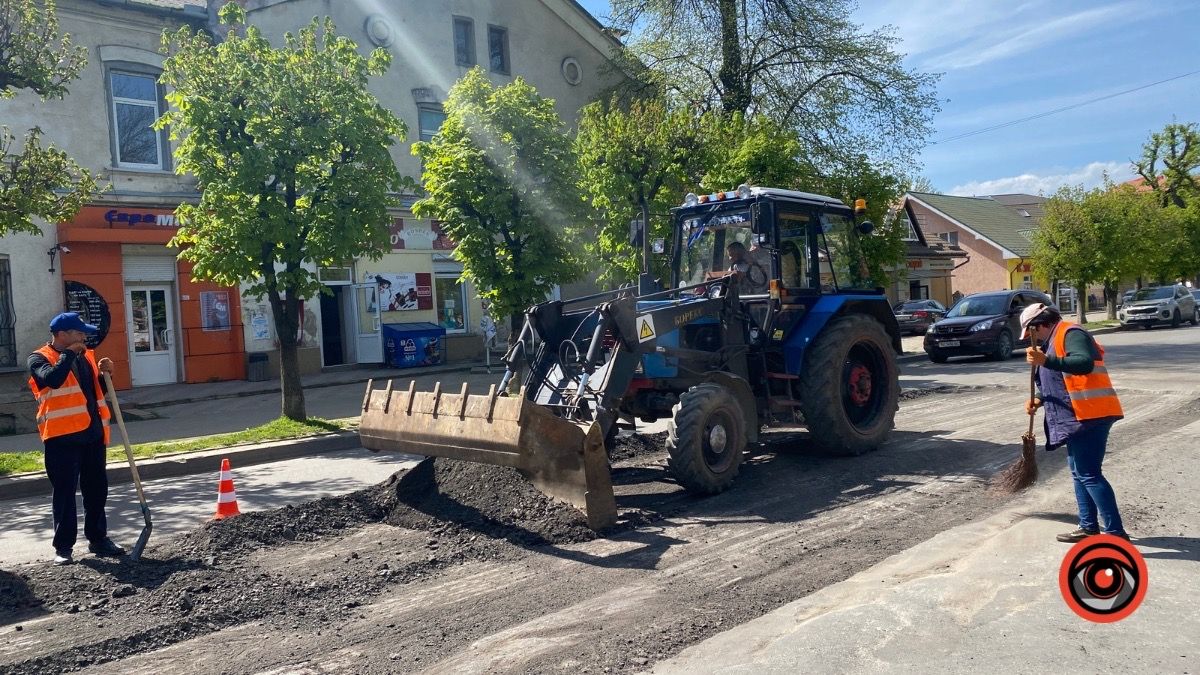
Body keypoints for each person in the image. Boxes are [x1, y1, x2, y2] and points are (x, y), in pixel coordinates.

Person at [1020, 303, 1128, 543]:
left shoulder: (1071, 333)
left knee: (1089, 473)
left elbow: (1083, 363)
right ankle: (1088, 527)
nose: (1031, 338)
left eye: (1032, 332)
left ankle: (1116, 534)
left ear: (1041, 324)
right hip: (1078, 415)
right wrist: (1038, 400)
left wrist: (1046, 360)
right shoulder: (1052, 342)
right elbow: (1057, 381)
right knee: (1079, 472)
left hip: (1091, 413)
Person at [27, 312, 125, 565]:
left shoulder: (87, 357)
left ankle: (98, 539)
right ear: (62, 335)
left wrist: (107, 375)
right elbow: (53, 380)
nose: (84, 337)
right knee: (64, 493)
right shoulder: (38, 358)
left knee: (96, 489)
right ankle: (63, 547)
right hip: (61, 438)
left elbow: (97, 391)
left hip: (92, 434)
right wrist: (69, 354)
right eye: (79, 332)